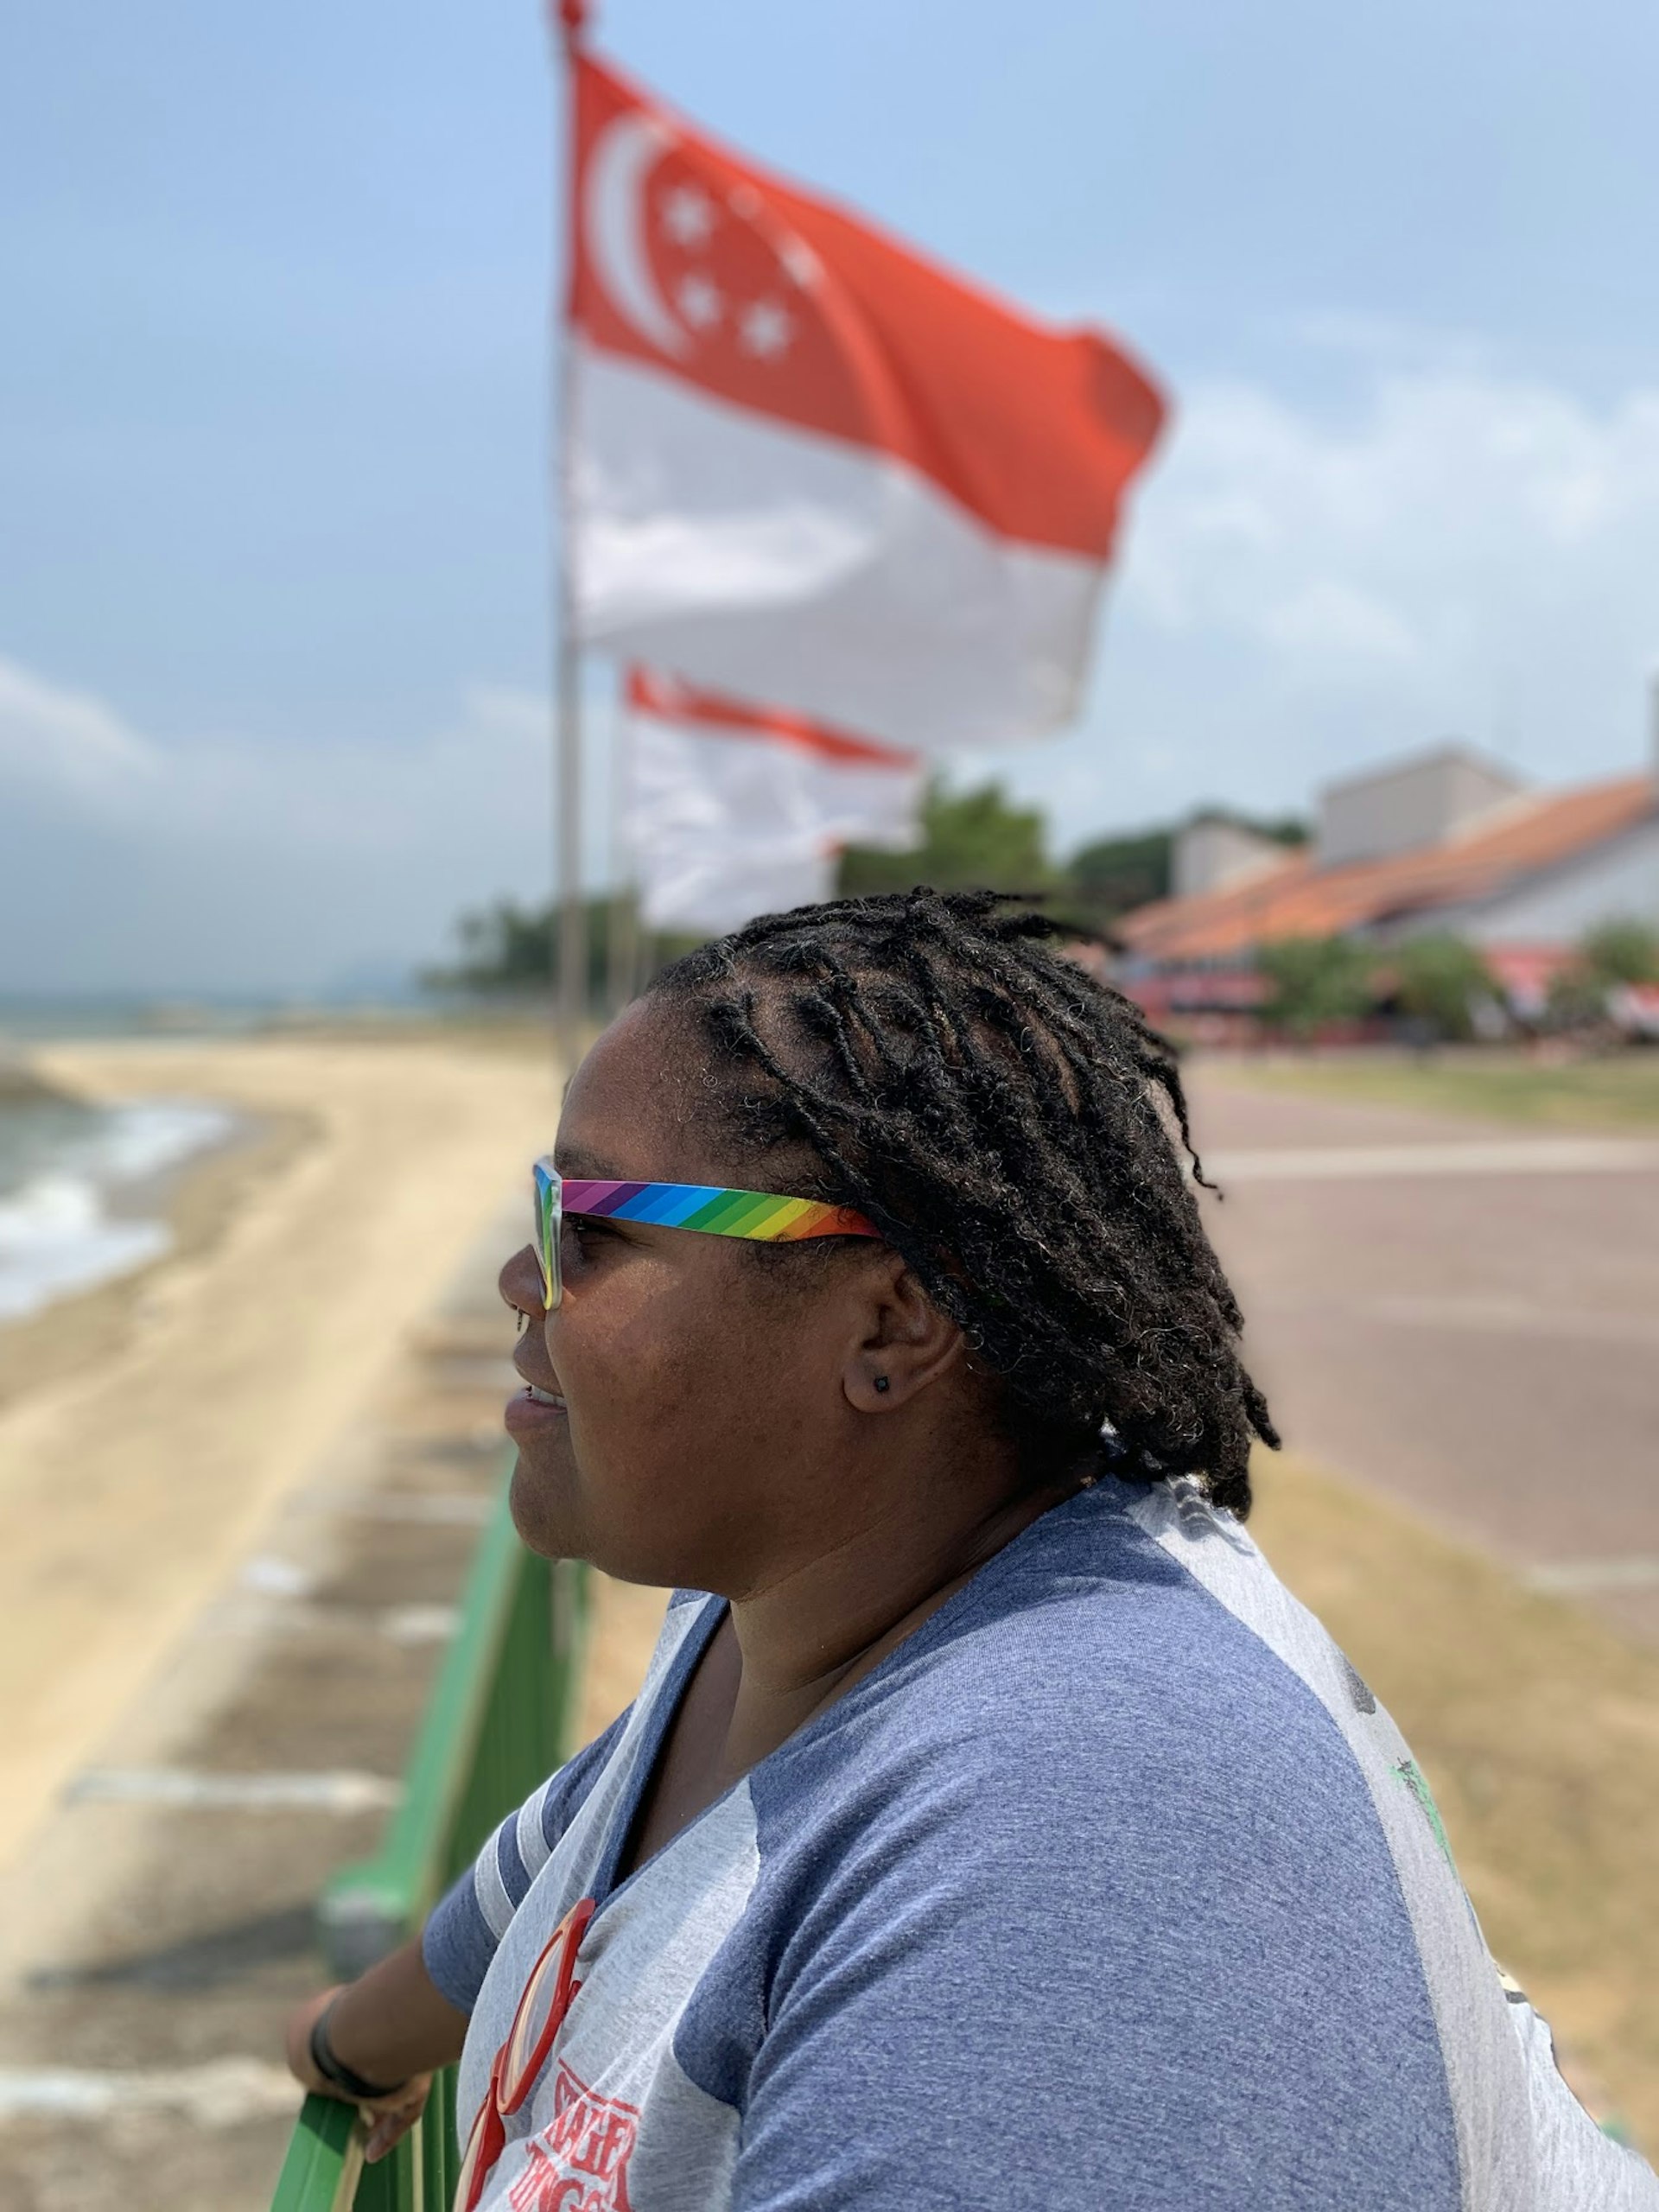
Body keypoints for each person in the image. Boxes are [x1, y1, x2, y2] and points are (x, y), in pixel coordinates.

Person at [286, 889, 1657, 2210]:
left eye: (585, 1225)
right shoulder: (793, 1601)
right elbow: (575, 1858)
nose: (524, 1279)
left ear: (891, 1327)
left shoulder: (1085, 1838)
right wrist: (353, 2048)